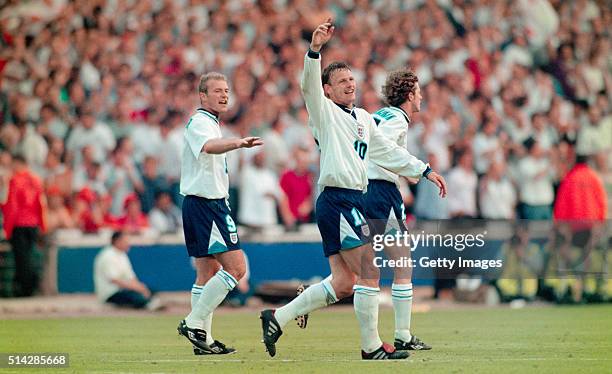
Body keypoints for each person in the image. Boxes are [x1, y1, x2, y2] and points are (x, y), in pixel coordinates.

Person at [260, 20, 446, 360]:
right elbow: (307, 88)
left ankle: (277, 317)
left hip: (353, 200)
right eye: (341, 81)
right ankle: (372, 347)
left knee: (344, 283)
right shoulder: (325, 112)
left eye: (352, 79)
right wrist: (314, 51)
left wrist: (425, 170)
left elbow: (387, 153)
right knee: (370, 270)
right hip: (336, 199)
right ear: (327, 90)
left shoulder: (362, 117)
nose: (349, 84)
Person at [176, 72, 263, 355]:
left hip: (202, 202)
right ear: (202, 96)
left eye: (226, 90)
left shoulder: (210, 123)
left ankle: (204, 339)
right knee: (237, 269)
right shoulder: (200, 122)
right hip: (207, 204)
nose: (224, 95)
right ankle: (193, 322)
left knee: (206, 273)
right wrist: (238, 142)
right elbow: (208, 148)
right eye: (217, 91)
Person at [362, 68, 447, 351]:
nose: (422, 97)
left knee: (357, 269)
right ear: (410, 95)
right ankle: (402, 334)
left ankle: (286, 313)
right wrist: (423, 170)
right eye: (419, 92)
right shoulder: (397, 119)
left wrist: (409, 173)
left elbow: (382, 151)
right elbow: (381, 147)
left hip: (365, 188)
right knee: (402, 263)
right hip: (380, 192)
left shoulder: (382, 115)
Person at [1, 154, 46, 296]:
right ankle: (31, 286)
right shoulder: (36, 180)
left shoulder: (15, 180)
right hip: (33, 224)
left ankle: (24, 289)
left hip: (19, 224)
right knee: (29, 256)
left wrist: (7, 230)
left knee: (21, 258)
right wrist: (42, 225)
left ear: (18, 163)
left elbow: (12, 206)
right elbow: (41, 204)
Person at [93, 231, 162, 310]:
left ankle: (148, 303)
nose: (128, 244)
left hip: (125, 289)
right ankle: (147, 304)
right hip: (111, 293)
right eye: (126, 241)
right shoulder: (107, 256)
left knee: (151, 291)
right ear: (117, 241)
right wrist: (137, 289)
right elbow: (115, 280)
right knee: (136, 297)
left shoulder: (122, 255)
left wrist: (141, 288)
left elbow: (131, 277)